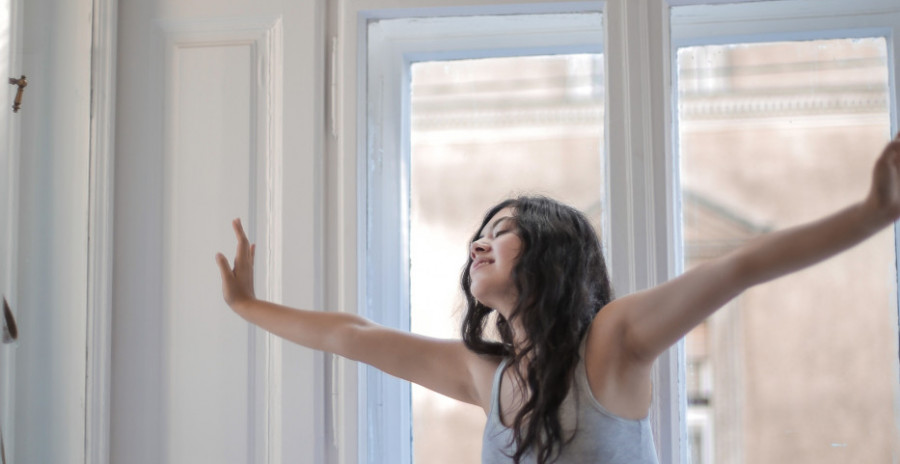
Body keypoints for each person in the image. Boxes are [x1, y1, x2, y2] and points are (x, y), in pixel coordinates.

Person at [216, 135, 900, 464]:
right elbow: (352, 336)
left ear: (552, 252)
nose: (478, 245)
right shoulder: (488, 376)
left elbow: (741, 266)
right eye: (478, 235)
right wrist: (248, 307)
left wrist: (872, 212)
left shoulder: (612, 343)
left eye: (502, 232)